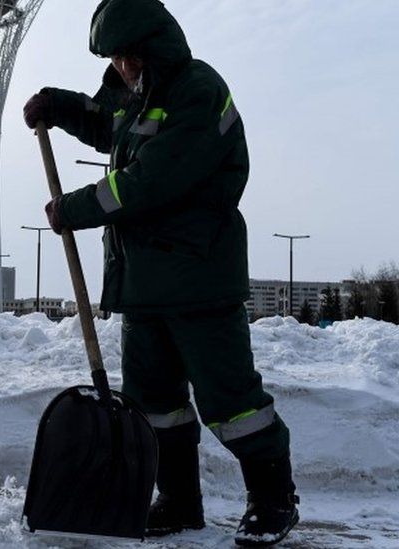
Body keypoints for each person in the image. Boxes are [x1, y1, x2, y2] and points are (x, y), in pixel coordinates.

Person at [23, 0, 298, 546]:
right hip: (143, 285)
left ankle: (272, 501)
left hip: (198, 280)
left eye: (131, 56)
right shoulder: (137, 96)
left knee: (232, 404)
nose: (123, 67)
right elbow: (108, 127)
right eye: (116, 58)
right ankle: (178, 500)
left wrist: (74, 209)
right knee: (157, 406)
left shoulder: (197, 91)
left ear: (156, 45)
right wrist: (59, 106)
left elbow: (149, 179)